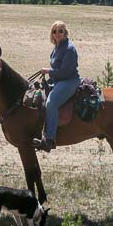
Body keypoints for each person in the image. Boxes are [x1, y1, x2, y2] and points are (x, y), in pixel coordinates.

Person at [32, 21, 80, 152]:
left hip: (69, 81)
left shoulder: (69, 49)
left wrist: (48, 71)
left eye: (60, 31)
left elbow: (65, 72)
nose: (57, 34)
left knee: (51, 103)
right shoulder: (57, 47)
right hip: (58, 80)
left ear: (65, 32)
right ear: (51, 34)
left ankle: (49, 139)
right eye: (54, 31)